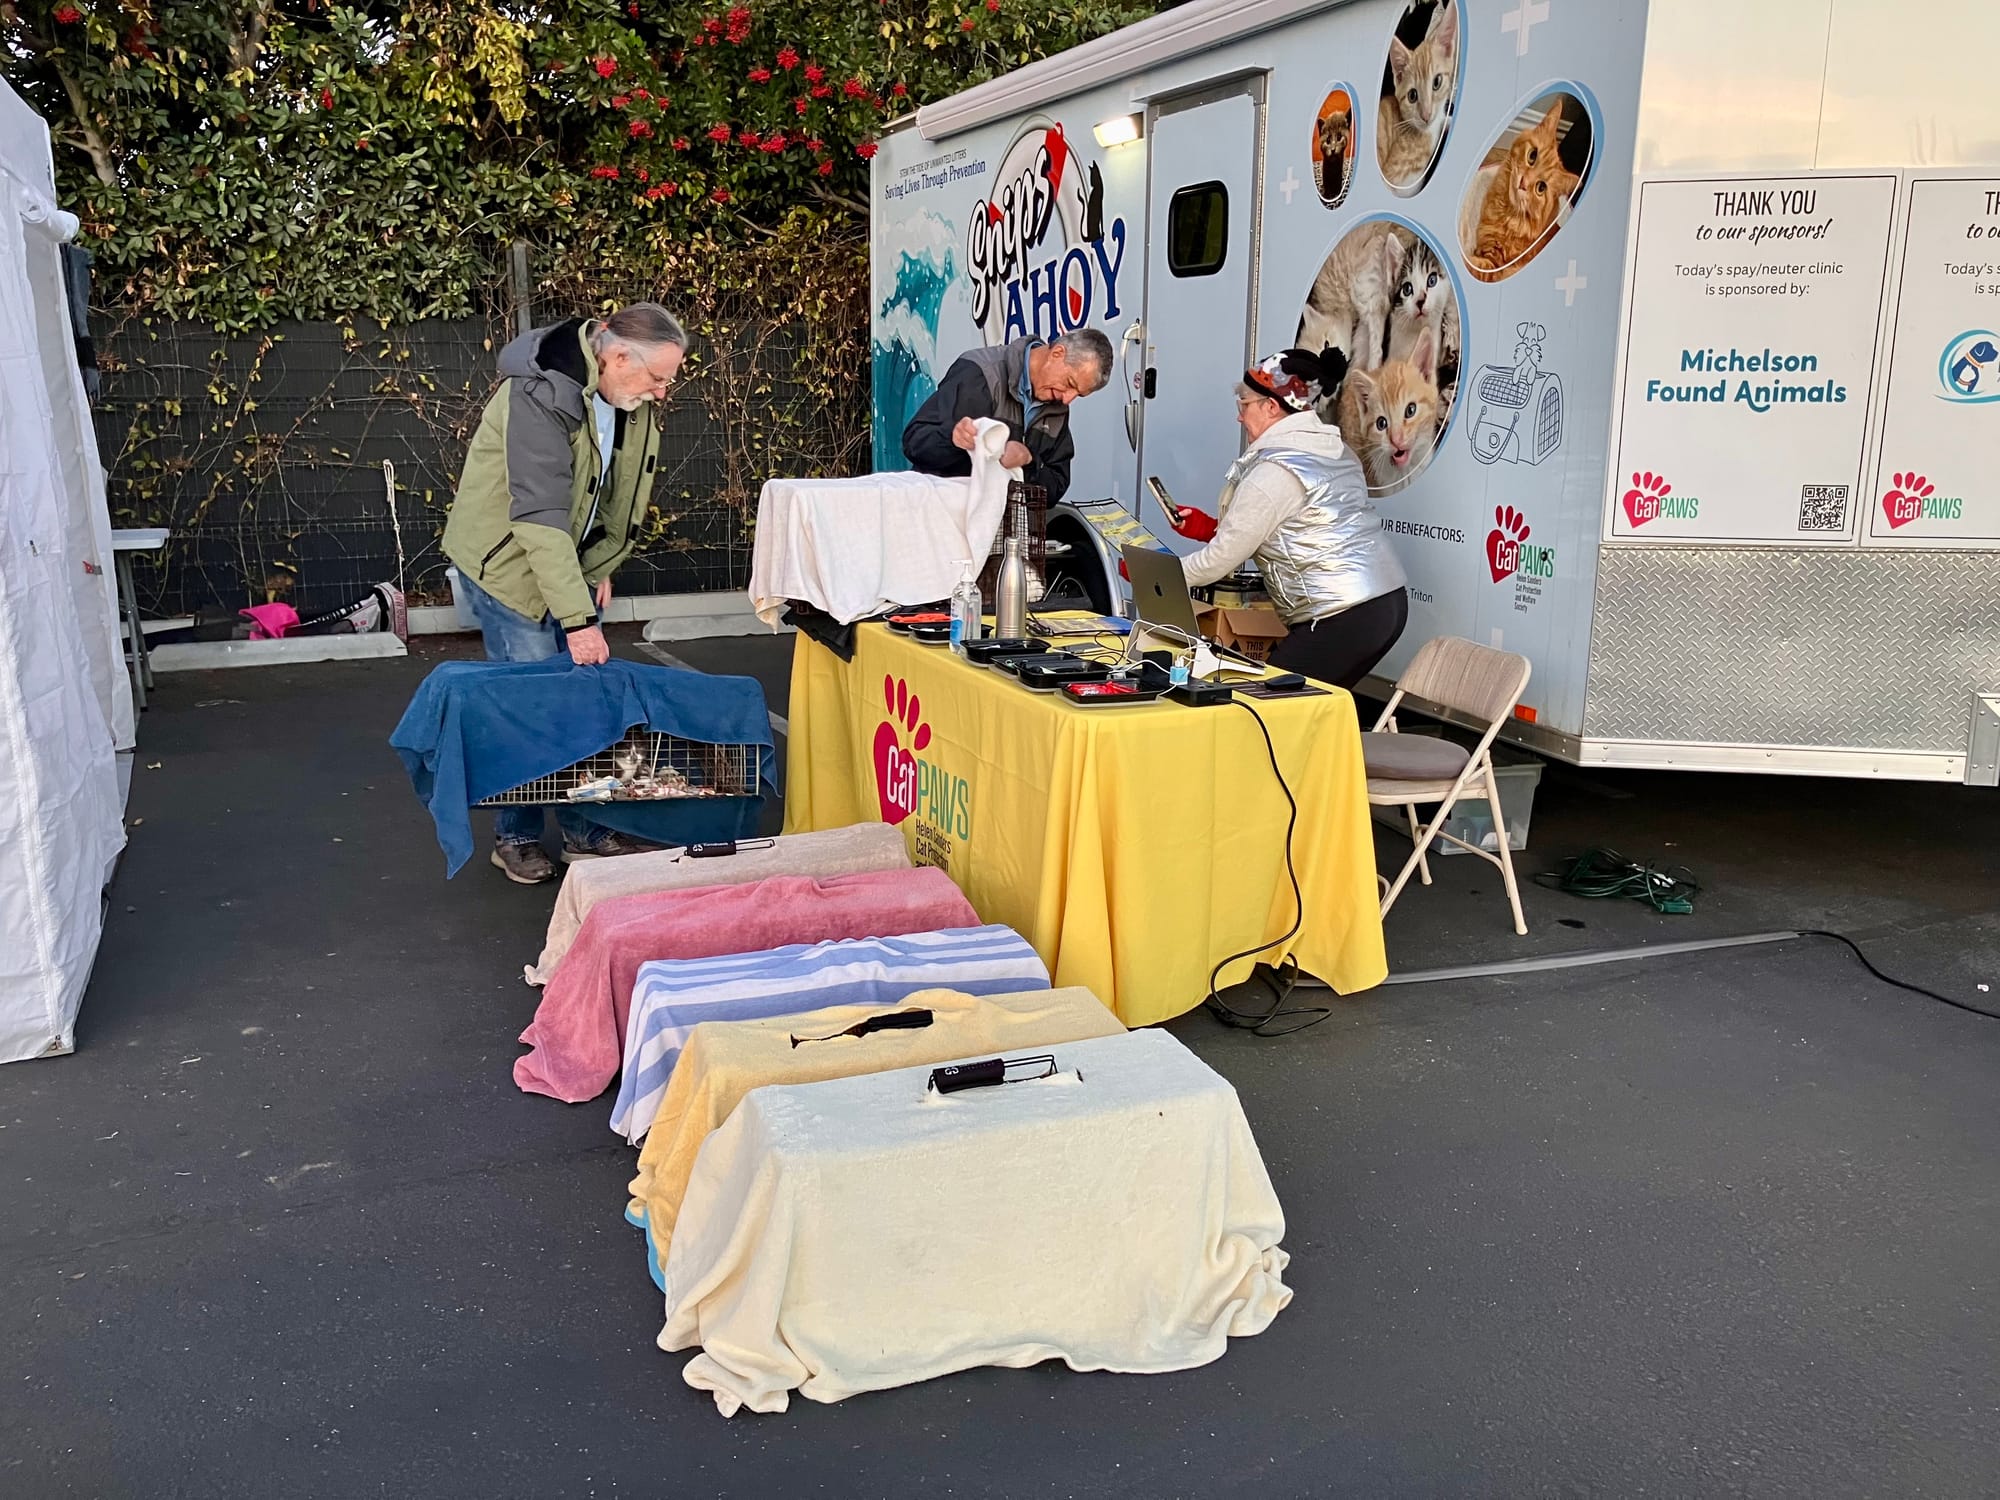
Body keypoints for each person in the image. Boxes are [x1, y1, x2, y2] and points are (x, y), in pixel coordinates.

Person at [442, 301, 688, 884]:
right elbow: (538, 517)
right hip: (510, 567)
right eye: (656, 379)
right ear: (618, 354)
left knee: (580, 698)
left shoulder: (622, 393)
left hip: (562, 559)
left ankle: (584, 829)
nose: (660, 394)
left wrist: (596, 564)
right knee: (532, 703)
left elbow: (608, 488)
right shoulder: (537, 395)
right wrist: (579, 622)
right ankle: (518, 836)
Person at [1166, 348, 1408, 690]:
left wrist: (1159, 574)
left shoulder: (1274, 471)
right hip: (1387, 602)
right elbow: (1298, 525)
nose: (1239, 416)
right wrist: (1210, 528)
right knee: (1316, 705)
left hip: (1341, 613)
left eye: (1244, 404)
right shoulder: (1335, 450)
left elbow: (1218, 561)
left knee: (1263, 702)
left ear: (1271, 406)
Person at [900, 328, 1114, 502]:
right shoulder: (979, 372)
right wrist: (953, 440)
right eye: (1070, 384)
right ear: (1057, 354)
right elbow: (914, 442)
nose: (1067, 399)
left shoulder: (1057, 406)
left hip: (1003, 539)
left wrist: (1028, 463)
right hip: (945, 524)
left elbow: (1056, 485)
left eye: (1079, 395)